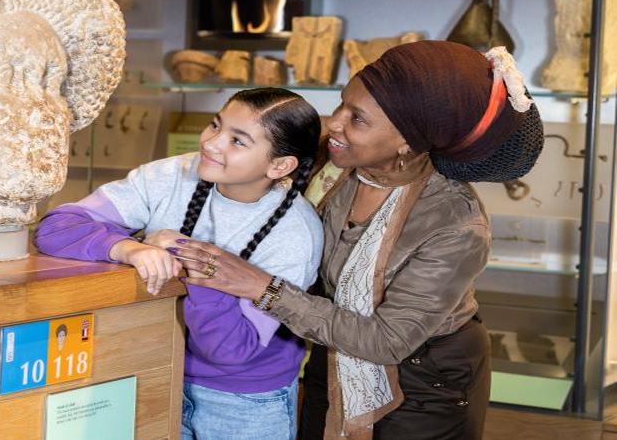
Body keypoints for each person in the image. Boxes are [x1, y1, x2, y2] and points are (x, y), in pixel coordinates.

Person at [171, 41, 543, 440]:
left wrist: (259, 286)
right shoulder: (330, 162)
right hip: (328, 355)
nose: (333, 123)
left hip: (424, 381)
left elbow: (388, 340)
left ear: (407, 141)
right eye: (341, 103)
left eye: (358, 119)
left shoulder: (455, 224)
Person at [35, 87, 324, 439]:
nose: (212, 143)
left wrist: (179, 250)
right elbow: (56, 227)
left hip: (243, 403)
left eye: (238, 141)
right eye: (216, 125)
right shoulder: (172, 175)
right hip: (154, 370)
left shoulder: (296, 234)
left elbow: (231, 349)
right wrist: (128, 248)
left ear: (280, 165)